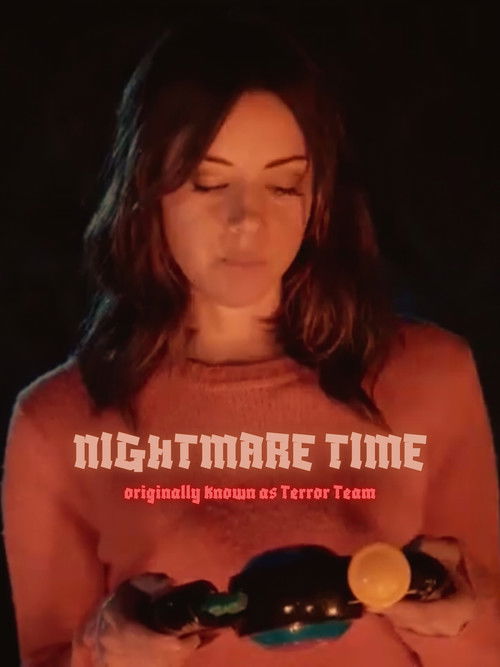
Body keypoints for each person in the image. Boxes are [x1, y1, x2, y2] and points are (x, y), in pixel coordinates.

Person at [2, 10, 500, 667]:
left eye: (284, 184)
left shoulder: (432, 381)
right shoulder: (59, 426)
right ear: (147, 192)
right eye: (210, 182)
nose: (247, 221)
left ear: (318, 198)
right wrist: (105, 652)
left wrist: (457, 622)